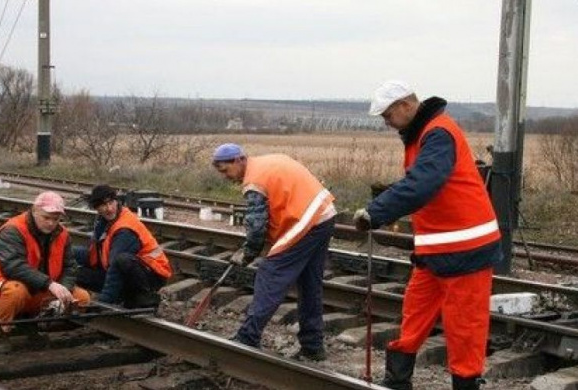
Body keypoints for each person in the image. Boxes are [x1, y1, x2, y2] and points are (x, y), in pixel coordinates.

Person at [354, 80, 502, 390]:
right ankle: (396, 381)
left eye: (388, 115)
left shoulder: (438, 132)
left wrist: (376, 211)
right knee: (414, 314)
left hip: (467, 248)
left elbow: (423, 183)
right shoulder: (420, 135)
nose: (386, 122)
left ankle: (465, 385)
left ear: (406, 106)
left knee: (464, 329)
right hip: (435, 250)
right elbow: (422, 184)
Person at [211, 143, 337, 361]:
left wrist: (248, 253)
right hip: (324, 213)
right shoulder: (264, 163)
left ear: (239, 160)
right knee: (309, 282)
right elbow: (276, 210)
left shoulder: (254, 181)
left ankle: (248, 337)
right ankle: (313, 346)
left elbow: (257, 226)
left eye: (225, 170)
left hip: (307, 218)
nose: (226, 177)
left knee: (271, 273)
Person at [0, 191, 91, 353]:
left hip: (38, 287)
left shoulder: (62, 234)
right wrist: (50, 284)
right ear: (34, 212)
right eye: (46, 217)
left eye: (55, 219)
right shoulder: (13, 230)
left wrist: (65, 289)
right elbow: (13, 267)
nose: (51, 223)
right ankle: (1, 330)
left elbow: (70, 266)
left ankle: (29, 321)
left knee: (82, 298)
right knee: (15, 291)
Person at [74, 184, 172, 308]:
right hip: (127, 271)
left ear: (116, 201)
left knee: (121, 260)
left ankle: (135, 296)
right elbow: (96, 254)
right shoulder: (103, 221)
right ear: (96, 208)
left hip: (151, 277)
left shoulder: (125, 229)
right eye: (103, 205)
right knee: (75, 264)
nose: (109, 208)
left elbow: (115, 264)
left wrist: (103, 301)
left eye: (111, 202)